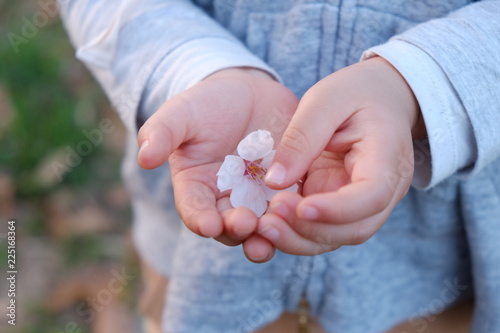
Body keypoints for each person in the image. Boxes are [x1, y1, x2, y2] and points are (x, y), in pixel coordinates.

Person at [59, 0, 500, 332]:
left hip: (433, 281)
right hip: (196, 274)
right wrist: (195, 65)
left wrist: (421, 84)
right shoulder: (244, 168)